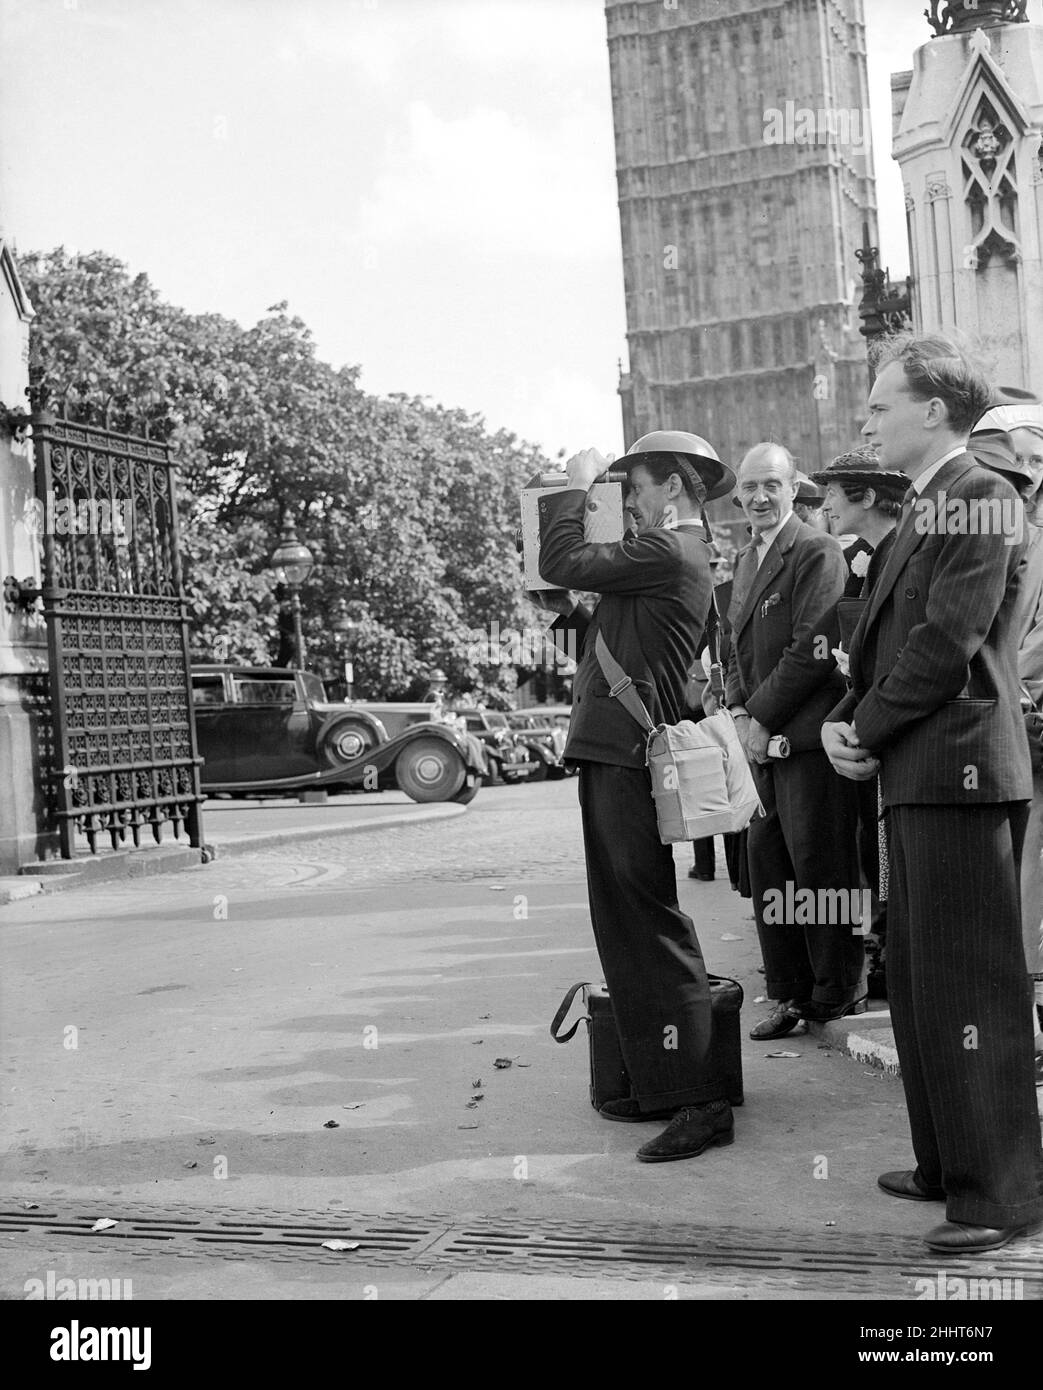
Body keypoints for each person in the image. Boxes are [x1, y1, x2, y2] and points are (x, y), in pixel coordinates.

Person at [821, 332, 1043, 1254]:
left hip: (958, 774)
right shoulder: (927, 503)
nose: (868, 421)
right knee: (918, 985)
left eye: (881, 405)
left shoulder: (982, 495)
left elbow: (945, 643)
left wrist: (862, 729)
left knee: (969, 991)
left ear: (935, 410)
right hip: (920, 771)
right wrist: (841, 720)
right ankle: (946, 1163)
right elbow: (879, 647)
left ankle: (1001, 1195)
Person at [538, 430, 738, 1163]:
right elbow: (603, 646)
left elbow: (562, 558)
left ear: (673, 487)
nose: (629, 504)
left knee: (647, 922)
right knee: (626, 923)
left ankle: (700, 1098)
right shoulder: (669, 556)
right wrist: (555, 609)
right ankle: (663, 1082)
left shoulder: (669, 549)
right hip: (613, 750)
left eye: (637, 488)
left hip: (623, 753)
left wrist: (576, 487)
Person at [726, 442, 865, 1038]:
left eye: (771, 486)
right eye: (749, 487)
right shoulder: (745, 558)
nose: (759, 498)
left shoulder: (815, 549)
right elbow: (732, 645)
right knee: (771, 870)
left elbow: (812, 648)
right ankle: (790, 993)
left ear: (791, 489)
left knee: (821, 869)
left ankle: (837, 991)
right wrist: (738, 712)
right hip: (761, 745)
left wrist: (758, 718)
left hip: (805, 743)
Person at [813, 443, 911, 996]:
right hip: (876, 735)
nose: (825, 504)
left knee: (896, 874)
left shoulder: (900, 556)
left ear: (868, 496)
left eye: (832, 492)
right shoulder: (873, 559)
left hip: (897, 743)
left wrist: (857, 726)